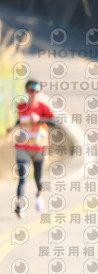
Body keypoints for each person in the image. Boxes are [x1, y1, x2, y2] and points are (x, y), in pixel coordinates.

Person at [6, 80, 56, 218]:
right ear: (27, 91)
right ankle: (19, 205)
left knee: (38, 179)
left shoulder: (43, 107)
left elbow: (54, 122)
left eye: (37, 91)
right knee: (23, 178)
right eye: (31, 91)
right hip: (23, 147)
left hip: (39, 148)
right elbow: (21, 120)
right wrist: (13, 128)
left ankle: (39, 194)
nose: (34, 93)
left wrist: (39, 120)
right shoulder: (21, 106)